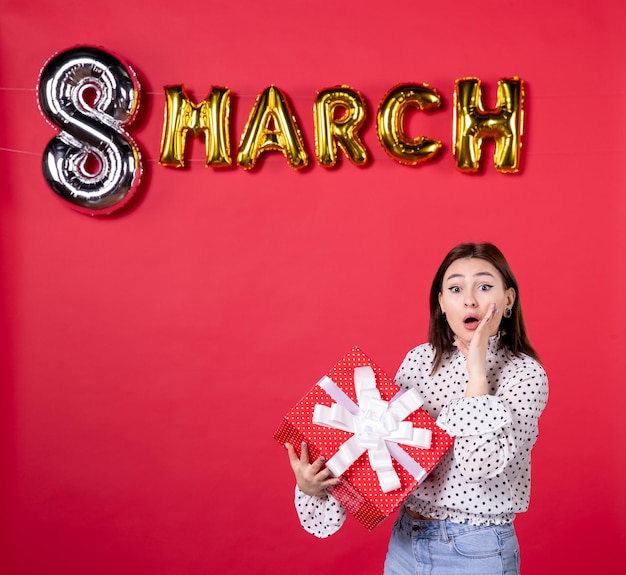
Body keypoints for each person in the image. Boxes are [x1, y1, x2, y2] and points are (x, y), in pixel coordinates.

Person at [285, 242, 549, 575]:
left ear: (508, 299)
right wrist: (315, 487)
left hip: (476, 550)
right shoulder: (420, 361)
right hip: (406, 543)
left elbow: (477, 465)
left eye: (484, 286)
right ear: (441, 303)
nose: (470, 299)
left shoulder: (525, 374)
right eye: (455, 288)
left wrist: (477, 373)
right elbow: (381, 456)